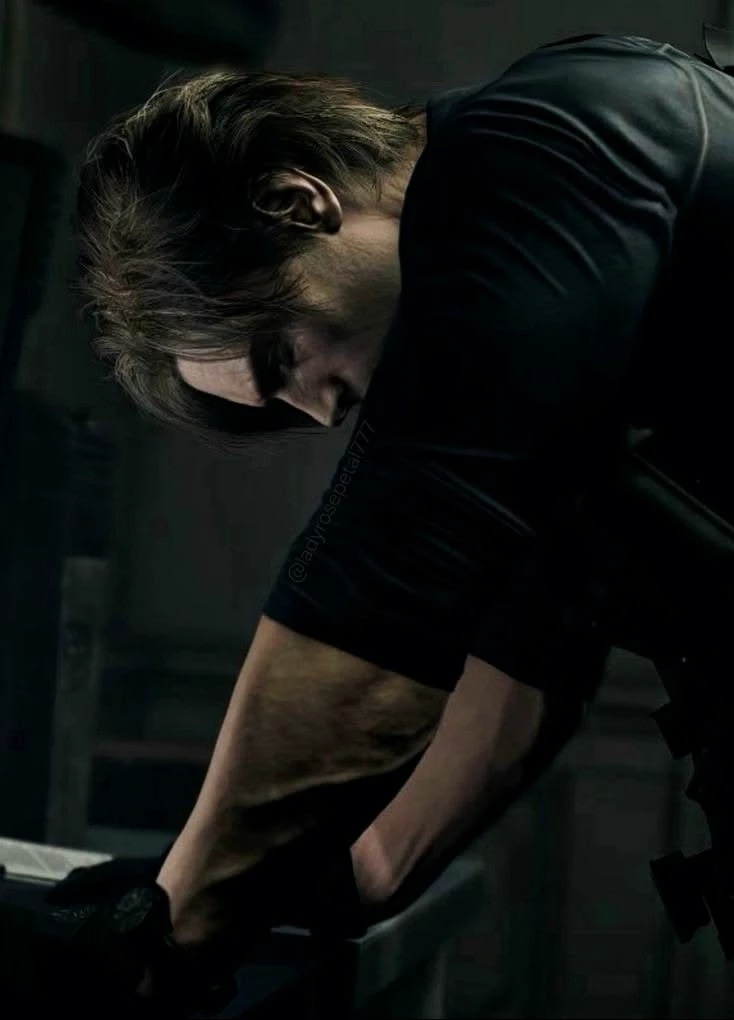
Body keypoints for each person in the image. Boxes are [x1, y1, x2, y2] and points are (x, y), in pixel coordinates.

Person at [67, 32, 733, 1007]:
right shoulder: (540, 342)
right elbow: (524, 656)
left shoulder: (547, 141)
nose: (320, 415)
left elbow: (389, 588)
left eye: (281, 359)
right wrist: (317, 880)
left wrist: (179, 923)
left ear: (297, 202)